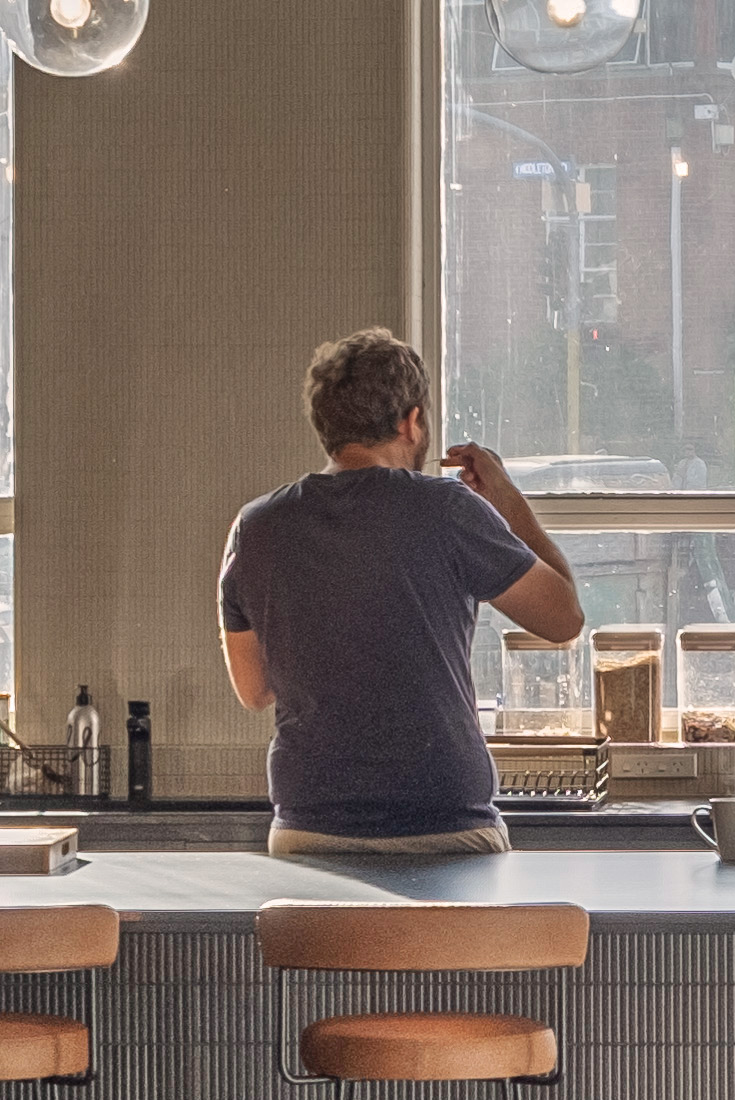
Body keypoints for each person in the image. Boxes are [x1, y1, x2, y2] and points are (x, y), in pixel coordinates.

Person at [215, 330, 582, 861]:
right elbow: (564, 618)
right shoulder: (449, 509)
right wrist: (504, 497)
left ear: (328, 428)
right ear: (410, 421)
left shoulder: (257, 527)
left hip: (311, 831)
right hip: (446, 829)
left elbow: (254, 690)